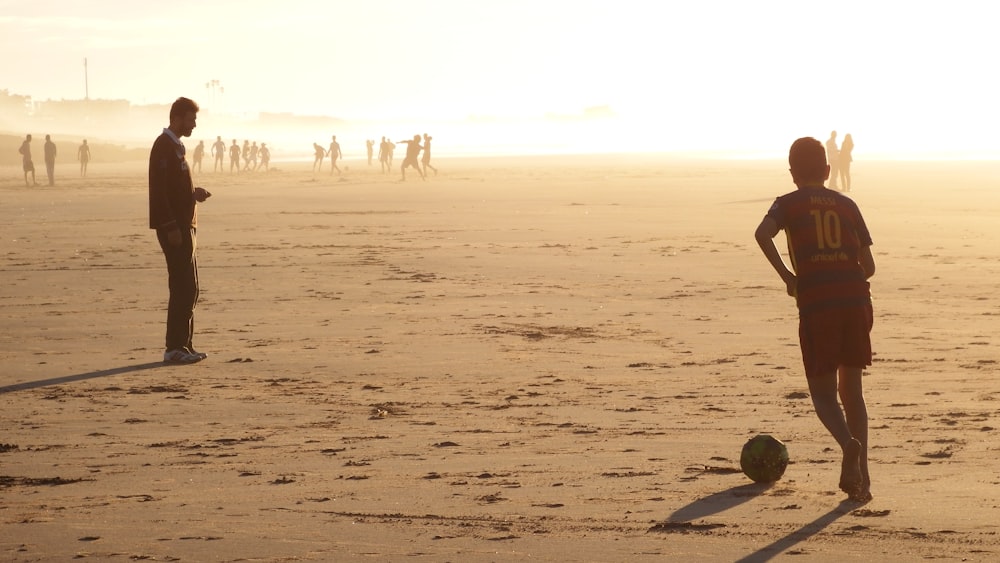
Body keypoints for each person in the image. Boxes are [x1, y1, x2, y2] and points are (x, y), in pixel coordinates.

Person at [754, 136, 875, 502]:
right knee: (852, 392)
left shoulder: (786, 205)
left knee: (823, 395)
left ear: (792, 174)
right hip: (856, 302)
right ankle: (863, 483)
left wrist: (790, 278)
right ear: (826, 170)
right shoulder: (847, 205)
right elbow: (869, 267)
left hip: (818, 305)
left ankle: (847, 445)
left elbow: (762, 234)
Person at [149, 96, 212, 365]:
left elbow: (175, 189)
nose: (194, 124)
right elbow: (159, 190)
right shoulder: (163, 146)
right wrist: (170, 226)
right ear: (177, 118)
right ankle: (173, 347)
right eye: (191, 119)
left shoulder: (178, 146)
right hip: (174, 228)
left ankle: (184, 344)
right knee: (182, 286)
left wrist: (192, 194)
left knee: (191, 288)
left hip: (187, 224)